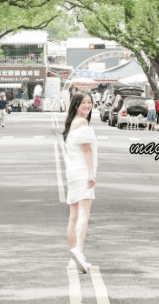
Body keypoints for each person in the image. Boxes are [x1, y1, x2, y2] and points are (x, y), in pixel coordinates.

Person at [63, 93, 97, 273]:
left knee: (73, 215)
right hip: (82, 173)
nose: (87, 105)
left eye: (89, 102)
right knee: (84, 213)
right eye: (83, 102)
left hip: (72, 174)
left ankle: (73, 259)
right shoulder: (82, 123)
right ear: (76, 105)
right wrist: (91, 174)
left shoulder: (71, 124)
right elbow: (87, 150)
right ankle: (79, 251)